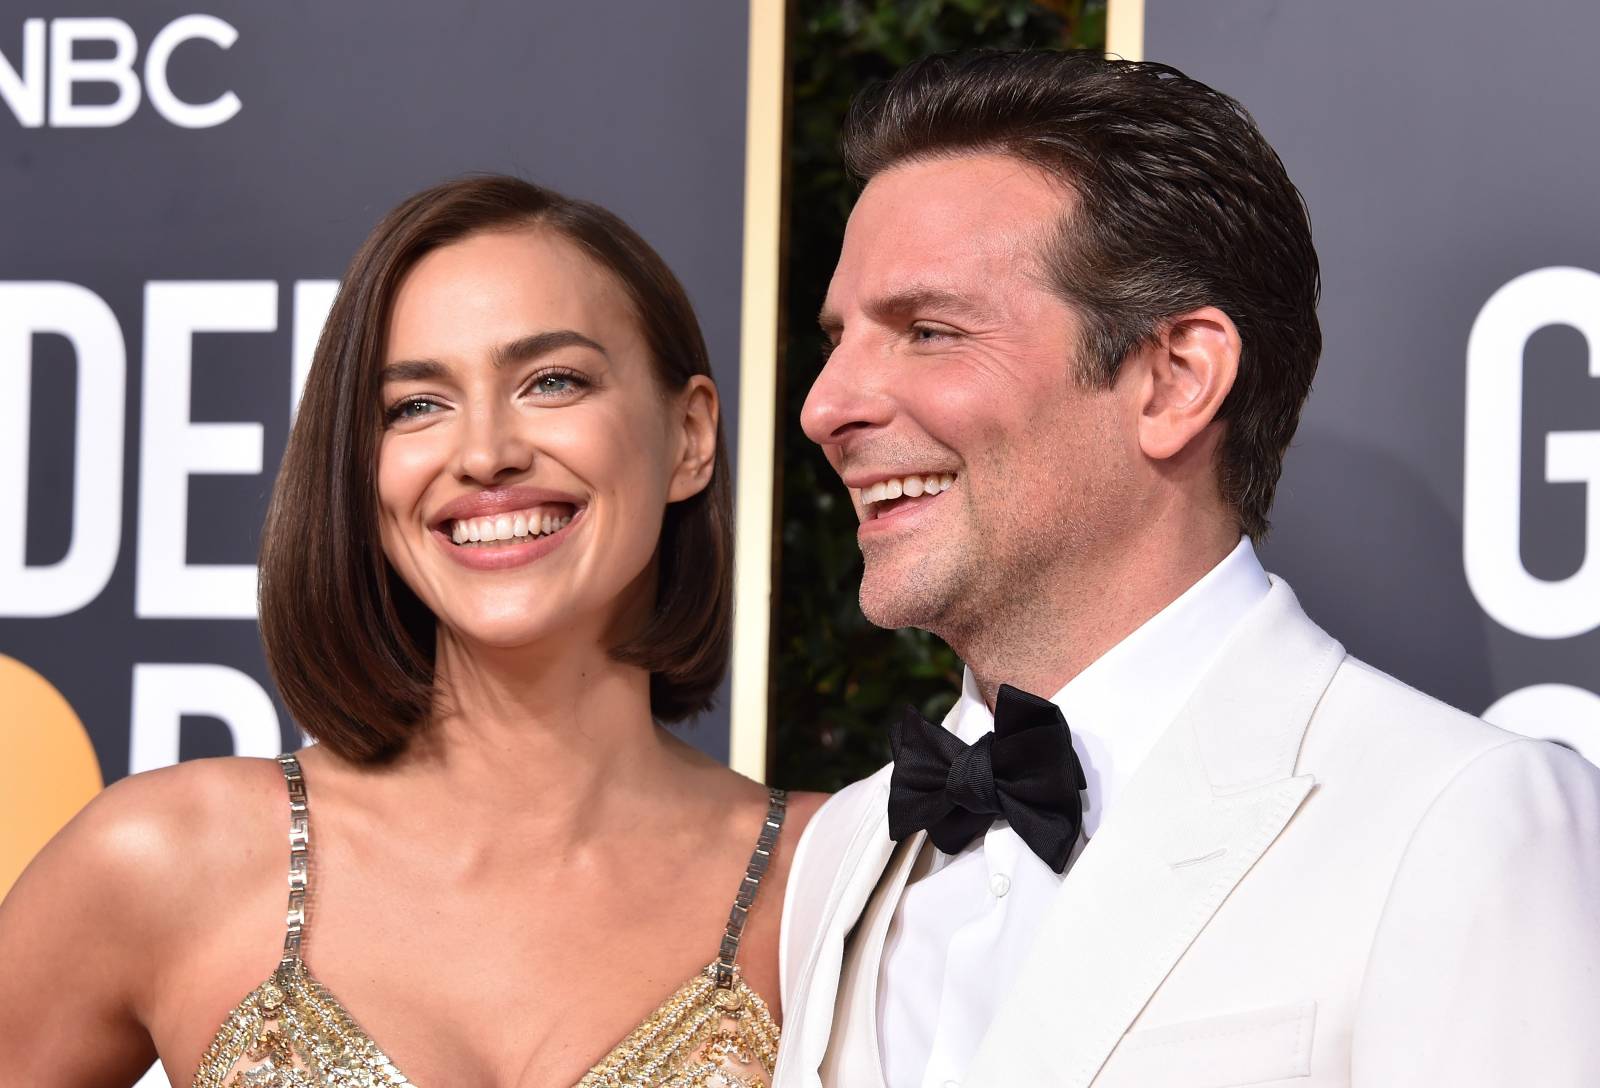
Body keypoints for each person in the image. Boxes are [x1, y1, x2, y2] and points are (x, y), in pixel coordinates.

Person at [774, 50, 1600, 1088]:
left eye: (927, 331)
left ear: (1173, 378)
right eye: (839, 338)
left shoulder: (1465, 820)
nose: (825, 406)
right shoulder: (845, 847)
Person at [0, 175, 824, 1087]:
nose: (484, 454)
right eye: (416, 406)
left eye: (552, 382)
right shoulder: (167, 856)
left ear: (690, 436)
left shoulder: (831, 886)